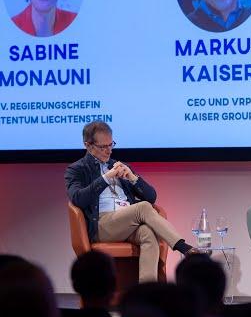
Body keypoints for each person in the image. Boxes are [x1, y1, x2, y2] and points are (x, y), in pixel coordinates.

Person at [64, 121, 204, 283]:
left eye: (111, 145)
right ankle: (184, 248)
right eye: (103, 147)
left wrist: (132, 177)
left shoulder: (120, 166)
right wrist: (106, 178)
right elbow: (78, 199)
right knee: (143, 208)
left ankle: (147, 293)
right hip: (102, 225)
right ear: (88, 145)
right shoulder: (76, 169)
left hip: (126, 222)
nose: (109, 150)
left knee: (148, 234)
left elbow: (151, 197)